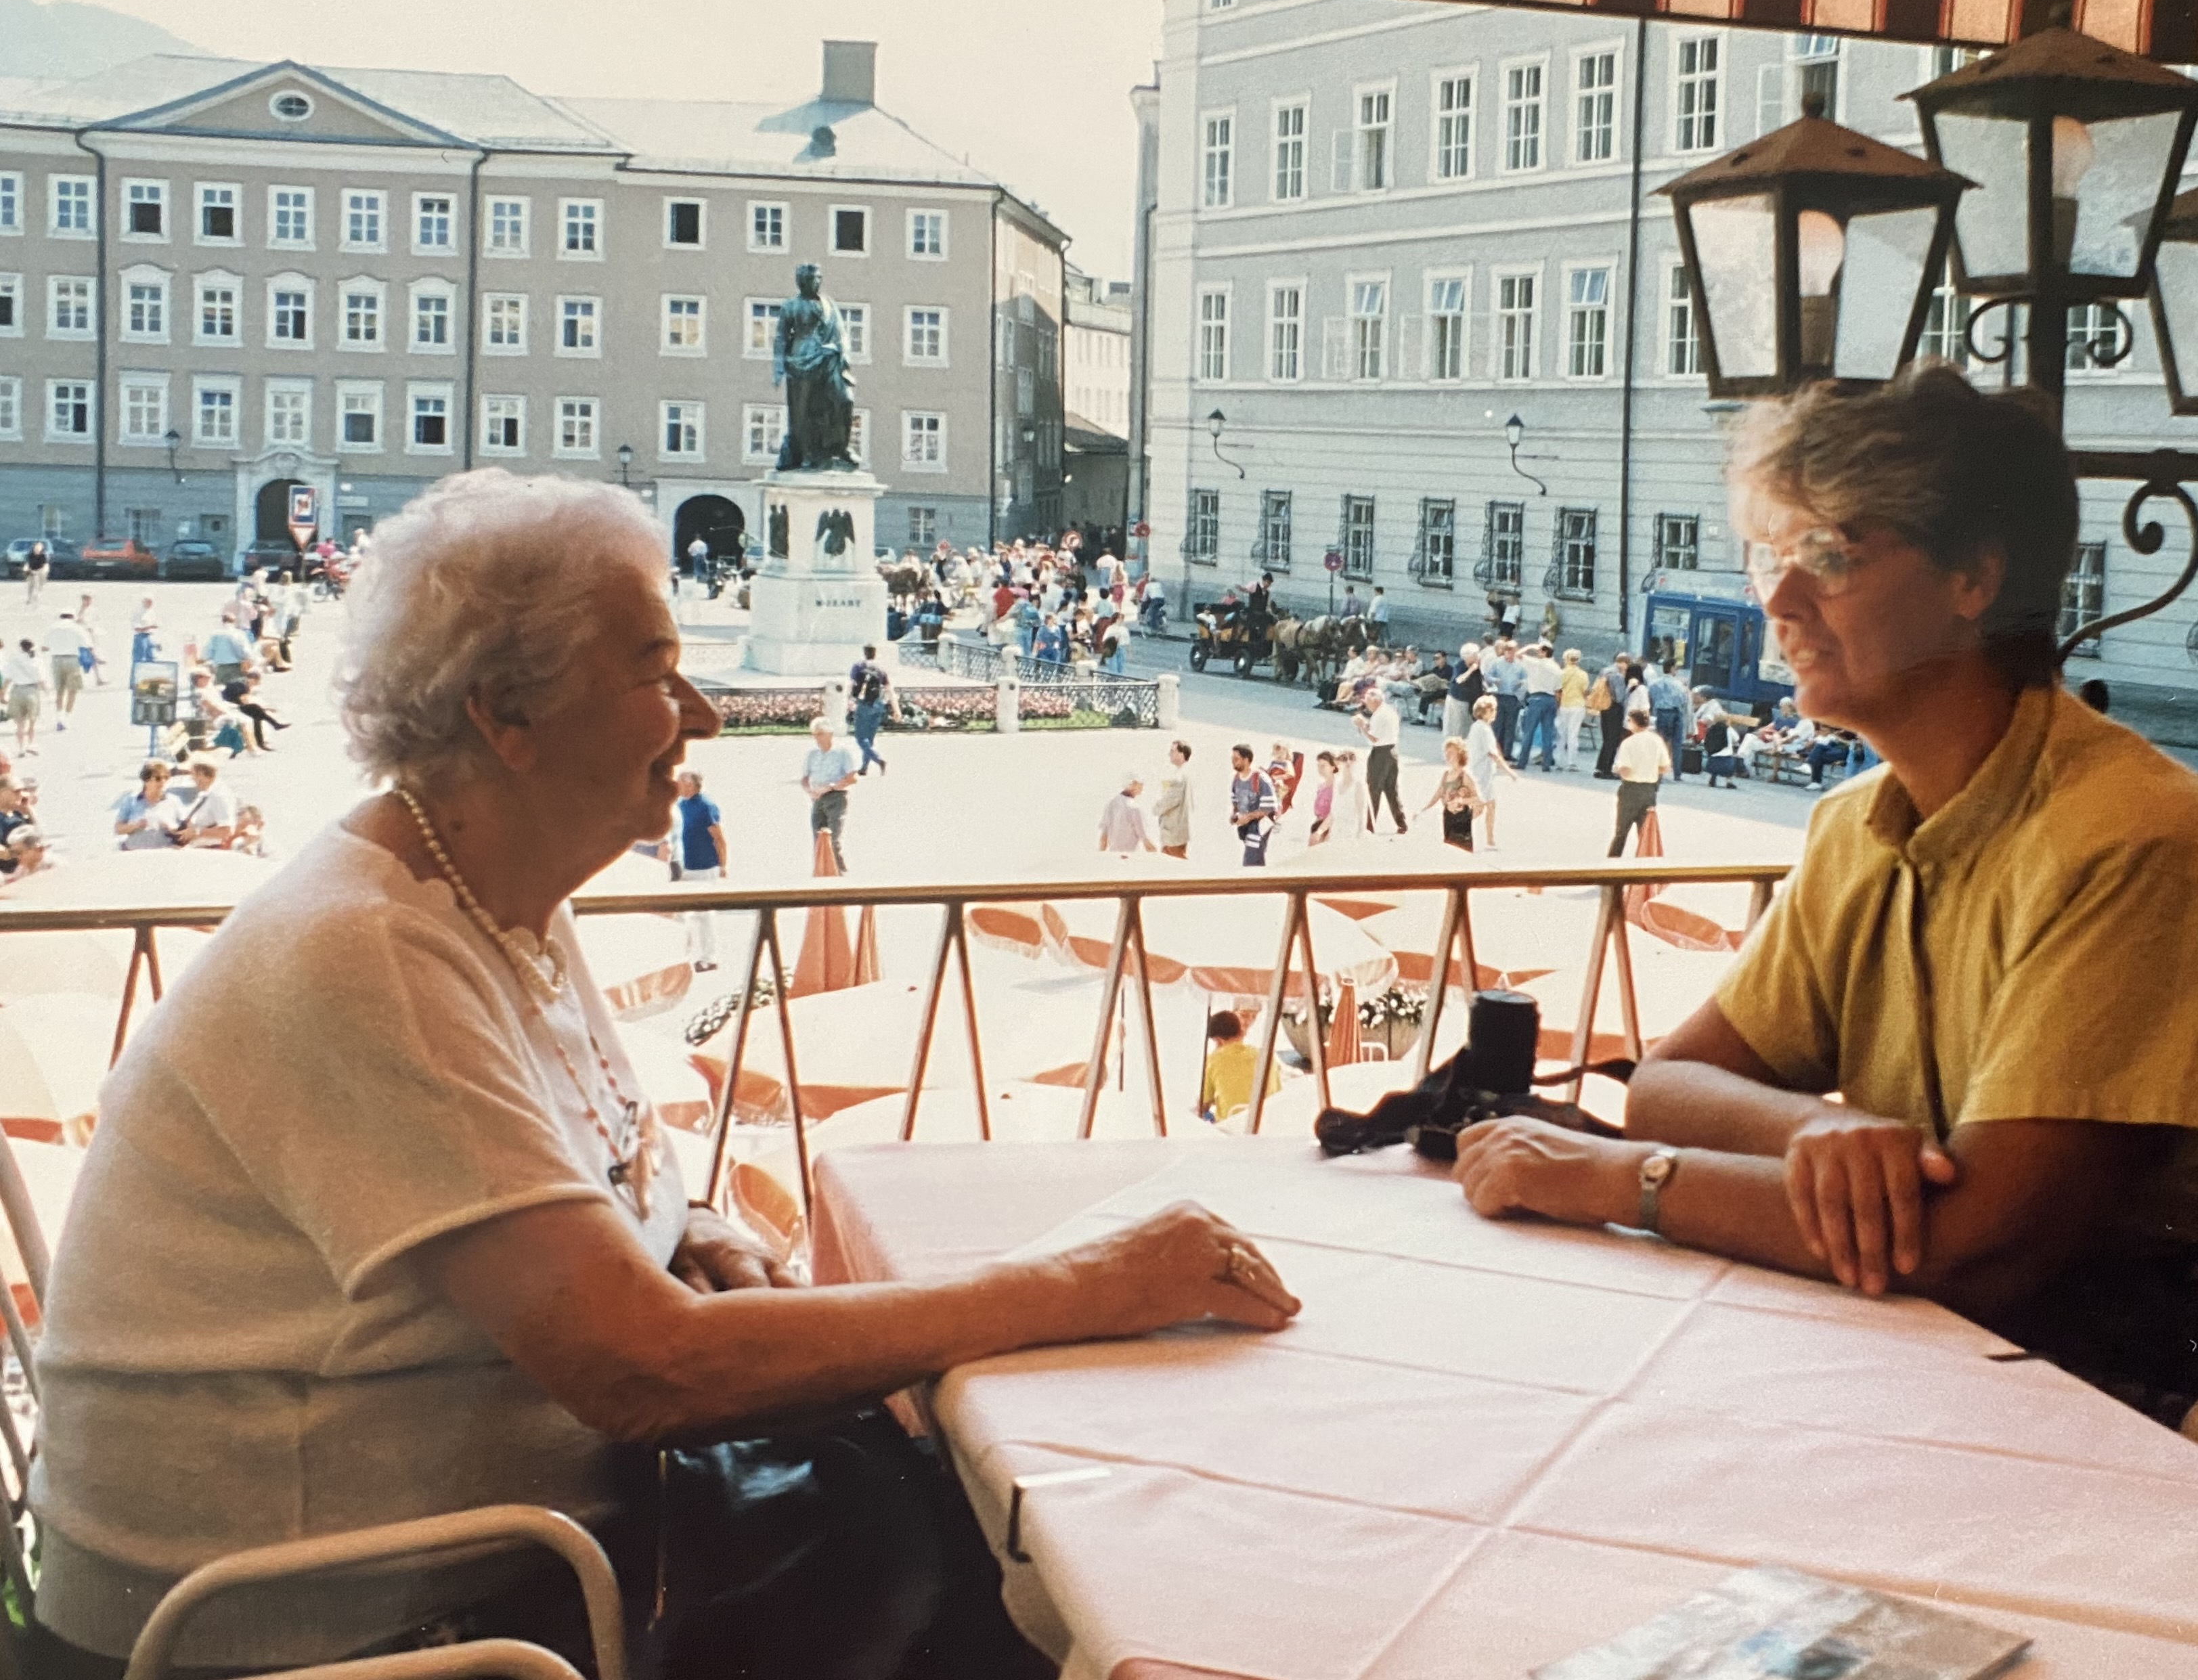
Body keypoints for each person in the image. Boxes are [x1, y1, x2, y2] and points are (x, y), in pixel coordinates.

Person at [26, 469, 1300, 1680]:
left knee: (962, 1527)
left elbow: (579, 1180)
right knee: (991, 1572)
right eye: (655, 672)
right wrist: (1088, 1282)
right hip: (324, 1634)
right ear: (507, 717)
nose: (699, 714)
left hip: (482, 1557)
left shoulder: (494, 896)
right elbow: (646, 1372)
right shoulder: (372, 952)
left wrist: (681, 1223)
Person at [1441, 367, 2198, 1539]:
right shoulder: (1858, 824)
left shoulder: (2126, 835)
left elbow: (1975, 1248)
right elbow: (1667, 1085)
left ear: (1974, 577)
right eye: (1768, 555)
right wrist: (1817, 1131)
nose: (1777, 599)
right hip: (2032, 1350)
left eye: (1828, 555)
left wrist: (1624, 1182)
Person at [671, 768, 728, 971]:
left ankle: (709, 958)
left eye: (680, 782)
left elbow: (719, 839)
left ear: (691, 785)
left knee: (705, 915)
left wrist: (722, 866)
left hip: (705, 866)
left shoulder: (706, 807)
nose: (676, 785)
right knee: (681, 913)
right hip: (684, 866)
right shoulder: (680, 805)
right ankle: (682, 957)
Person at [1197, 1011, 1281, 1124]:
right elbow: (1278, 1093)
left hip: (1231, 1125)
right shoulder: (1266, 1055)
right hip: (1265, 1122)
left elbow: (1203, 1104)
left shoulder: (1213, 1060)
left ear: (1218, 1040)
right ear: (1240, 1032)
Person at [1607, 706, 1670, 856]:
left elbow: (1625, 770)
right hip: (1649, 791)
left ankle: (1613, 863)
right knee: (1645, 831)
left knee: (1621, 832)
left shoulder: (1629, 743)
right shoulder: (1657, 741)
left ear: (1634, 722)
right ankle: (1644, 862)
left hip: (1630, 790)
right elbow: (1665, 767)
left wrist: (1617, 769)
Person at [801, 716, 857, 865]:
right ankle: (822, 870)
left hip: (836, 797)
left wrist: (831, 786)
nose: (817, 738)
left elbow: (852, 778)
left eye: (820, 734)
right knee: (818, 838)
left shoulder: (842, 753)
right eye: (815, 734)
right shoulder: (812, 754)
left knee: (833, 838)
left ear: (830, 734)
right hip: (817, 799)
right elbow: (805, 779)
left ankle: (838, 869)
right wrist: (809, 791)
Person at [1355, 686, 1406, 834]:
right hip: (1392, 751)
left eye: (1368, 700)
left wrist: (1362, 726)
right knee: (1391, 789)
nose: (1366, 703)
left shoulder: (1379, 715)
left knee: (1374, 789)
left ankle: (1369, 825)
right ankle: (1401, 822)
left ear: (1375, 700)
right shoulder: (1389, 711)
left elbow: (1374, 738)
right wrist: (1366, 724)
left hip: (1381, 752)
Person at [1417, 736, 1480, 852]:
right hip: (1448, 815)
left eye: (1451, 753)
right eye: (1446, 753)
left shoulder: (1464, 776)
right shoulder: (1446, 775)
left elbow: (1477, 799)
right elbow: (1438, 794)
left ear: (1460, 754)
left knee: (1462, 848)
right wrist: (1424, 809)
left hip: (1461, 817)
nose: (1447, 756)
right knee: (1449, 845)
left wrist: (1461, 801)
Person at [1464, 694, 1508, 849]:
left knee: (1487, 806)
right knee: (1482, 806)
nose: (1495, 712)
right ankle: (1463, 829)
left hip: (1479, 771)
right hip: (1481, 773)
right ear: (1486, 712)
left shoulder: (1477, 727)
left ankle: (1490, 839)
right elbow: (1492, 753)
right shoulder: (1483, 729)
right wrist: (1508, 770)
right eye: (1493, 710)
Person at [112, 760, 185, 851]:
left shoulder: (174, 801)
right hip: (135, 853)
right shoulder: (131, 801)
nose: (163, 782)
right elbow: (118, 829)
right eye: (158, 778)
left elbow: (187, 829)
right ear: (146, 780)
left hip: (164, 853)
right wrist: (135, 826)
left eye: (166, 778)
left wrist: (172, 830)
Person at [173, 757, 240, 851]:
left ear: (202, 774)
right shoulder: (209, 793)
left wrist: (197, 832)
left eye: (194, 775)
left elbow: (226, 831)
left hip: (210, 850)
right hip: (199, 848)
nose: (193, 779)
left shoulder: (219, 796)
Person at [1228, 743, 1279, 866]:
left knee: (1250, 861)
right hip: (1245, 828)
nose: (1233, 762)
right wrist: (1234, 816)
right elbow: (1235, 803)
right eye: (1232, 759)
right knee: (1256, 862)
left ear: (1246, 760)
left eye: (1236, 759)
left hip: (1260, 826)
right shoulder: (1236, 779)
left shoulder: (1260, 778)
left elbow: (1269, 807)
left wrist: (1248, 817)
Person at [848, 646, 893, 777]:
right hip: (877, 705)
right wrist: (896, 710)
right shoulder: (880, 669)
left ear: (864, 653)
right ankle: (864, 768)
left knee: (860, 738)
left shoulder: (858, 666)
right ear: (875, 653)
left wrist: (849, 701)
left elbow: (851, 684)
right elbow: (889, 689)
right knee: (869, 738)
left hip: (864, 705)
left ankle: (879, 760)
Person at [1517, 642, 1562, 770]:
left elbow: (1518, 655)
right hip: (1551, 699)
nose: (1537, 653)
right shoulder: (1556, 668)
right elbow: (1558, 689)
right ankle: (1546, 763)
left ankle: (1522, 762)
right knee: (1548, 733)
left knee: (1529, 731)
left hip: (1536, 698)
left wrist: (1530, 646)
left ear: (1544, 652)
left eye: (1539, 651)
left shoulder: (1535, 663)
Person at [1483, 641, 1526, 766]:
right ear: (1505, 652)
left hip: (1513, 697)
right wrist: (1494, 680)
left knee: (1510, 727)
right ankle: (1494, 751)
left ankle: (1507, 753)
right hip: (1499, 696)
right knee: (1497, 726)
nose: (1510, 655)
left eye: (1513, 652)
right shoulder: (1497, 663)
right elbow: (1487, 676)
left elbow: (1525, 679)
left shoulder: (1520, 666)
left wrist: (1521, 684)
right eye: (1508, 652)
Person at [1154, 741, 1195, 860]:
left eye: (1173, 751)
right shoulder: (1184, 772)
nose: (1170, 754)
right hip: (1178, 830)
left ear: (1182, 754)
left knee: (1173, 861)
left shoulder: (1180, 775)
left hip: (1174, 831)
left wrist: (1156, 808)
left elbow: (1170, 800)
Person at [1099, 773, 1156, 854]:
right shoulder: (1134, 807)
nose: (1142, 788)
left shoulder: (1112, 803)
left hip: (1114, 855)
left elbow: (1104, 836)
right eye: (1140, 785)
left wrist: (1101, 856)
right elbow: (1144, 838)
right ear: (1132, 785)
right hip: (1131, 856)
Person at [4, 638, 42, 756]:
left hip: (17, 691)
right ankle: (31, 744)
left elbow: (8, 679)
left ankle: (21, 748)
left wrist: (3, 693)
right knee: (32, 722)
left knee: (20, 724)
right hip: (32, 690)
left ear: (20, 647)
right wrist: (48, 693)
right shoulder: (36, 660)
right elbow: (41, 679)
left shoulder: (14, 659)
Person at [1555, 648, 1589, 771]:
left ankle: (1559, 762)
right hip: (1578, 705)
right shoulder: (1583, 674)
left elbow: (1557, 690)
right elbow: (1585, 691)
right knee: (1573, 734)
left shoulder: (1561, 673)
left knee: (1561, 734)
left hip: (1564, 705)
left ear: (1566, 659)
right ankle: (1572, 762)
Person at [204, 611, 254, 687]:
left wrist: (208, 663)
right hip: (236, 667)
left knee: (221, 689)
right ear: (234, 621)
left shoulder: (215, 634)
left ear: (223, 621)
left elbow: (208, 652)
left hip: (220, 668)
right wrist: (250, 660)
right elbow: (245, 650)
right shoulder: (239, 634)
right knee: (236, 688)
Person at [1445, 642, 1482, 740]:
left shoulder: (1479, 666)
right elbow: (1459, 680)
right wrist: (1471, 670)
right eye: (1475, 655)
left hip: (1470, 702)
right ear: (1468, 656)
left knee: (1467, 731)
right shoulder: (1460, 665)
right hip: (1457, 701)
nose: (1478, 656)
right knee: (1457, 730)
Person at [1306, 752, 1340, 848]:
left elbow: (1334, 813)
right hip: (1317, 825)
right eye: (1319, 766)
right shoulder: (1321, 786)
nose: (1320, 769)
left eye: (1323, 766)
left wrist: (1320, 832)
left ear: (1333, 767)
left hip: (1327, 828)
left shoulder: (1336, 788)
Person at [22, 537, 45, 606]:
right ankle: (29, 598)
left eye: (39, 548)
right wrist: (29, 570)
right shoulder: (30, 555)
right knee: (31, 585)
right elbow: (28, 564)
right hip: (31, 571)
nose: (37, 549)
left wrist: (39, 572)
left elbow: (44, 566)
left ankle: (37, 596)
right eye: (36, 548)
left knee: (37, 584)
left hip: (39, 571)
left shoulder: (42, 556)